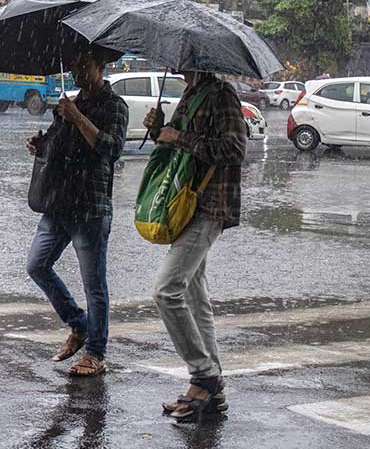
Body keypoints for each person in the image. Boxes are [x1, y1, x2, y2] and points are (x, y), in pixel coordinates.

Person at [142, 70, 247, 421]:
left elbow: (235, 148)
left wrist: (180, 137)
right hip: (186, 203)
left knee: (166, 290)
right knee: (194, 297)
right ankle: (212, 394)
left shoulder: (222, 95)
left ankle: (204, 375)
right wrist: (159, 131)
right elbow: (173, 145)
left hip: (210, 204)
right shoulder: (190, 93)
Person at [25, 49, 128, 377]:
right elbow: (58, 144)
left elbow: (110, 149)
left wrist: (78, 117)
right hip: (58, 202)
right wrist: (41, 143)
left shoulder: (115, 106)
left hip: (90, 206)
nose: (77, 72)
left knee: (93, 284)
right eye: (74, 66)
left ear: (101, 67)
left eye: (84, 66)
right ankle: (79, 324)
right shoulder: (69, 103)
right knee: (37, 265)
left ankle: (96, 352)